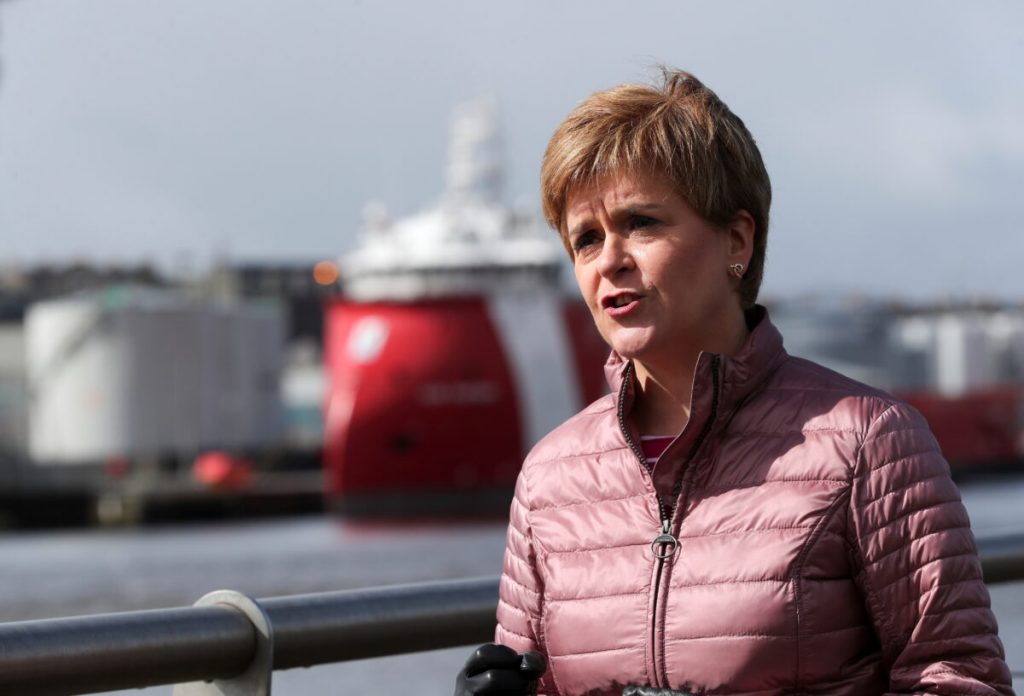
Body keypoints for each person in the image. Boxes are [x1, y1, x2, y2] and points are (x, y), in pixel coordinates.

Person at [455, 69, 1015, 695]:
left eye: (641, 223)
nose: (609, 259)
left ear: (737, 241)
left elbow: (959, 679)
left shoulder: (867, 442)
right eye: (586, 239)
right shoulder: (549, 479)